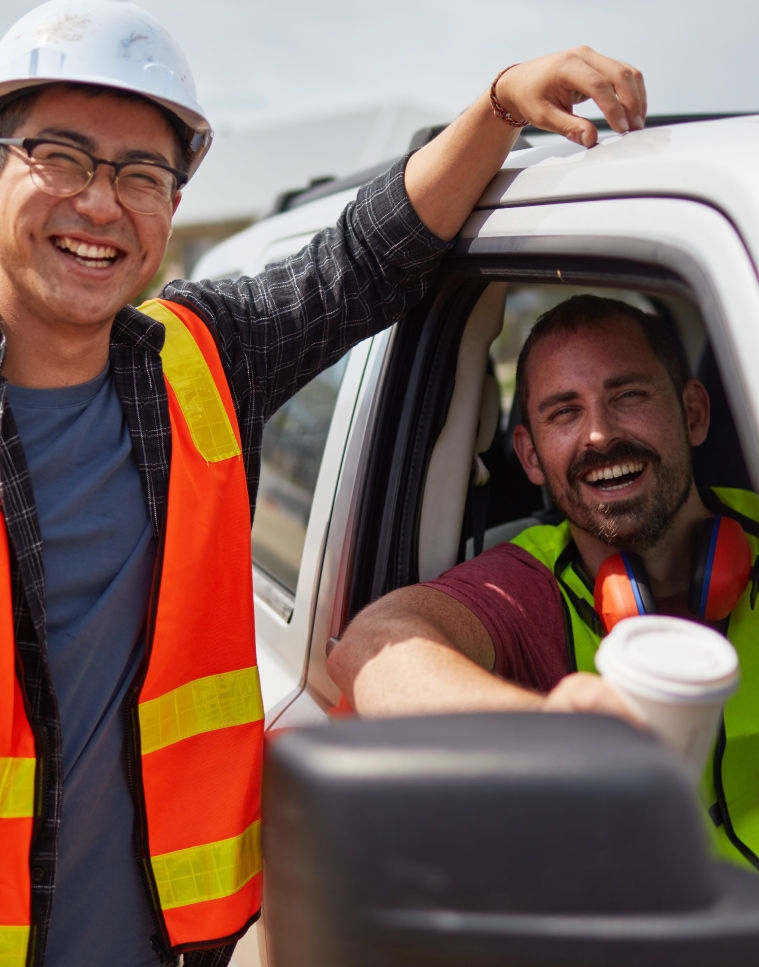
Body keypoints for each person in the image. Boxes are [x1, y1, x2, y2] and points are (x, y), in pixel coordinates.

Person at [0, 0, 647, 962]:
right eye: (62, 157)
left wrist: (501, 102)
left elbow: (364, 261)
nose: (101, 203)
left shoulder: (201, 360)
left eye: (142, 173)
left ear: (172, 204)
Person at [327, 293, 759, 871]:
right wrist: (545, 733)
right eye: (564, 412)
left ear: (694, 413)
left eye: (628, 396)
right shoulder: (525, 583)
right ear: (530, 457)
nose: (600, 435)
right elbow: (373, 646)